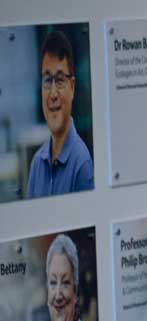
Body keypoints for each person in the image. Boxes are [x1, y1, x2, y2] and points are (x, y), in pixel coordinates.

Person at [27, 28, 93, 197]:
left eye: (60, 80)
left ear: (72, 87)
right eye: (48, 81)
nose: (53, 94)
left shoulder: (81, 163)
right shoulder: (37, 164)